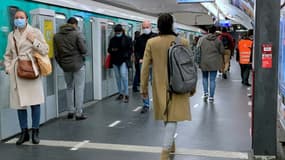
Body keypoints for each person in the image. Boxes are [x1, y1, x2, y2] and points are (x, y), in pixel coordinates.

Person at [140, 13, 195, 160]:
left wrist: (143, 88)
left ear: (158, 26)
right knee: (172, 117)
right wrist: (192, 85)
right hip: (179, 84)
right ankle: (166, 151)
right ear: (172, 25)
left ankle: (169, 148)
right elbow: (190, 66)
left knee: (168, 116)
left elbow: (145, 68)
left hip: (160, 86)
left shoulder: (151, 43)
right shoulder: (182, 42)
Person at [4, 10, 49, 145]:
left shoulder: (35, 32)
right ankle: (24, 133)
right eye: (16, 17)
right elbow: (7, 54)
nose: (18, 19)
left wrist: (33, 40)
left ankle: (35, 131)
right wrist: (8, 67)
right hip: (17, 72)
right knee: (20, 105)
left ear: (27, 19)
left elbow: (45, 50)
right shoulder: (11, 35)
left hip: (31, 71)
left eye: (21, 17)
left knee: (35, 103)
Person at [54, 17, 87, 120]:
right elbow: (84, 50)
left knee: (69, 87)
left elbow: (56, 54)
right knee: (79, 88)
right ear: (75, 25)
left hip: (65, 65)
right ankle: (79, 113)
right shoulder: (77, 34)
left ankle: (70, 111)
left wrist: (62, 64)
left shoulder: (56, 36)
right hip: (78, 65)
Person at [134, 20, 157, 114]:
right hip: (143, 63)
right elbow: (136, 51)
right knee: (144, 84)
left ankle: (157, 102)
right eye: (144, 27)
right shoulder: (139, 38)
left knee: (154, 83)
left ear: (150, 27)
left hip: (155, 63)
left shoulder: (156, 37)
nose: (145, 29)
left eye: (147, 27)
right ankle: (146, 104)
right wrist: (139, 58)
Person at [197, 26, 225, 102]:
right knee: (212, 80)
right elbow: (222, 51)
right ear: (215, 31)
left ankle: (205, 93)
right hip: (214, 63)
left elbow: (197, 49)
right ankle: (211, 97)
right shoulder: (218, 40)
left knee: (204, 78)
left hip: (204, 62)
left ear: (208, 31)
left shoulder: (201, 39)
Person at [108, 24, 132, 103]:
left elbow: (130, 49)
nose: (118, 33)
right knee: (118, 77)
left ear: (122, 31)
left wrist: (126, 55)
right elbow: (109, 49)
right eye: (116, 32)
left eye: (119, 32)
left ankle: (126, 94)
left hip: (123, 60)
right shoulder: (112, 40)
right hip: (115, 61)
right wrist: (113, 50)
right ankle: (120, 93)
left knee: (124, 76)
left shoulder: (127, 39)